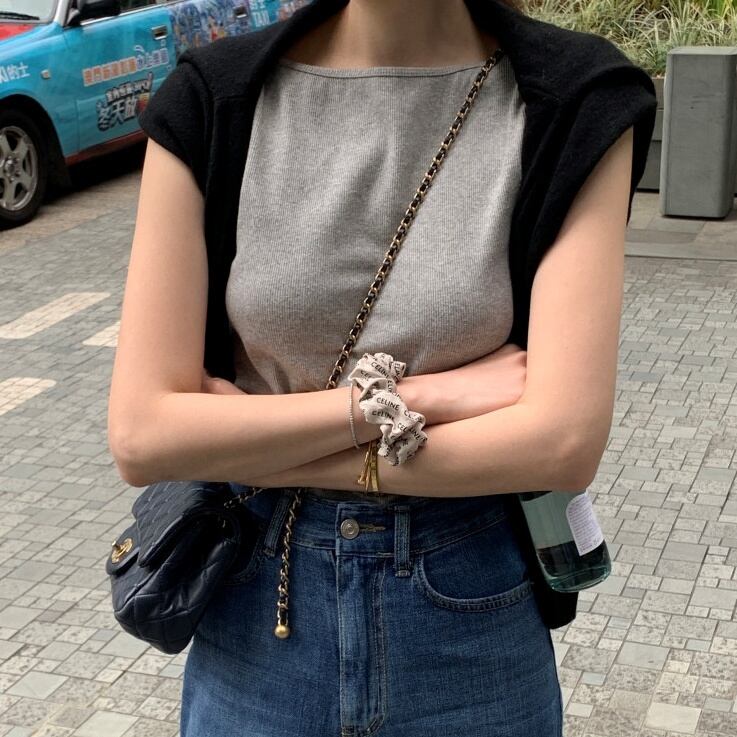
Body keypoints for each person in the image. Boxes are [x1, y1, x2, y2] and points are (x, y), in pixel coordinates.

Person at [108, 0, 657, 734]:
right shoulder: (213, 97)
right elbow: (143, 436)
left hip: (468, 606)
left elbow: (560, 442)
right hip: (256, 604)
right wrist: (415, 399)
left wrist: (248, 446)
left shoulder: (574, 97)